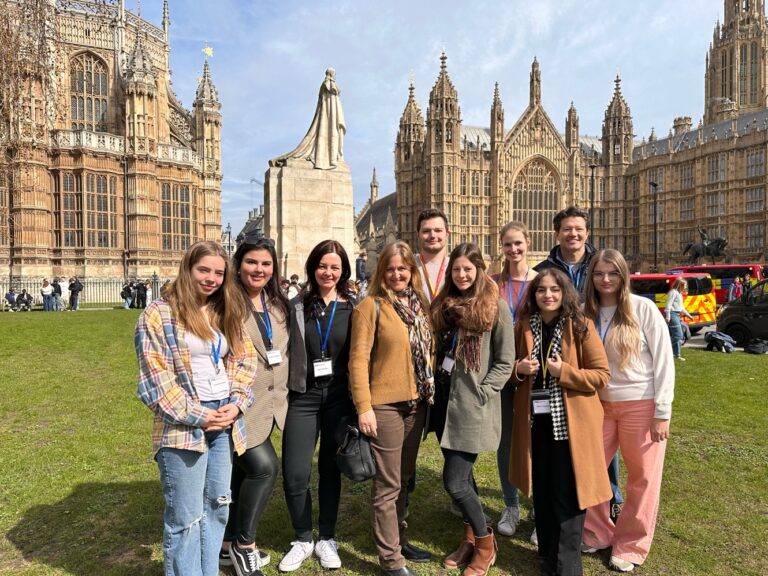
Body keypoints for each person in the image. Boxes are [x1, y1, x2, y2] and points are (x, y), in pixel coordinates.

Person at [135, 241, 257, 576]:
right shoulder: (158, 314)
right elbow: (154, 381)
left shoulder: (225, 310)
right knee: (185, 517)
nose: (212, 278)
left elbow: (245, 360)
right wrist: (200, 415)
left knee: (217, 507)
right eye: (204, 270)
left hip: (225, 417)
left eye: (219, 272)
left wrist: (237, 404)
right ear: (188, 268)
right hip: (184, 423)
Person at [510, 268, 611, 576]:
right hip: (536, 424)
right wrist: (520, 369)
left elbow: (601, 375)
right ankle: (547, 556)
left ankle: (567, 565)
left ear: (564, 292)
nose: (548, 295)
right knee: (543, 492)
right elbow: (509, 373)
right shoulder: (526, 326)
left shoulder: (581, 325)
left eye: (554, 289)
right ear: (534, 295)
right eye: (541, 290)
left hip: (571, 427)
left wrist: (564, 372)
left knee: (568, 494)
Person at [581, 249, 675, 573]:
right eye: (598, 273)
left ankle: (631, 544)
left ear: (623, 275)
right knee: (590, 471)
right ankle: (597, 532)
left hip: (641, 403)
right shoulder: (585, 313)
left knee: (643, 478)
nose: (605, 280)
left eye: (612, 273)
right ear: (590, 277)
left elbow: (664, 361)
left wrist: (663, 410)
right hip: (598, 405)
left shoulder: (643, 309)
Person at [535, 206, 623, 531]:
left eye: (579, 229)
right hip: (560, 363)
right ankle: (563, 504)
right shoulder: (543, 270)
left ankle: (610, 500)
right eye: (567, 229)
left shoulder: (601, 265)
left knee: (602, 436)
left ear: (587, 232)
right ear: (556, 233)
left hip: (600, 354)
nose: (573, 234)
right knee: (562, 440)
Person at [349, 241, 434, 576]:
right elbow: (357, 361)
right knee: (388, 483)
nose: (398, 274)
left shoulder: (419, 305)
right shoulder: (370, 306)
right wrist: (364, 407)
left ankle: (396, 537)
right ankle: (390, 559)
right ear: (380, 271)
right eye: (391, 268)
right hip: (384, 405)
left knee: (404, 476)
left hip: (416, 403)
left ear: (411, 271)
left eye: (403, 268)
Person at [431, 243, 515, 575]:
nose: (462, 275)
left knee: (454, 481)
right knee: (464, 478)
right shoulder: (444, 307)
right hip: (443, 403)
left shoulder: (496, 308)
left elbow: (505, 361)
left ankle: (484, 542)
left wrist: (483, 392)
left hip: (470, 406)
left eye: (468, 269)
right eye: (456, 269)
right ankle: (469, 537)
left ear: (479, 270)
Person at [280, 240, 357, 572]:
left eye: (335, 267)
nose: (328, 272)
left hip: (339, 399)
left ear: (343, 271)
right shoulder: (296, 306)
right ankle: (302, 537)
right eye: (323, 266)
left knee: (330, 470)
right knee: (295, 472)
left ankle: (326, 537)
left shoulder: (354, 308)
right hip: (304, 397)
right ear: (313, 268)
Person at [220, 237, 290, 576]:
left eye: (265, 263)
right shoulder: (224, 303)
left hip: (272, 403)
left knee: (240, 474)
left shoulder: (278, 303)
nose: (258, 269)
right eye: (251, 262)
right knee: (263, 468)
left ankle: (224, 545)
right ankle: (243, 544)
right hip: (235, 405)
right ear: (239, 264)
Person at [491, 221, 538, 538]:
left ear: (528, 242)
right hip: (504, 372)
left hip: (535, 372)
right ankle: (511, 505)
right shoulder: (493, 284)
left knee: (538, 442)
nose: (513, 250)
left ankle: (539, 509)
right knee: (505, 441)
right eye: (508, 244)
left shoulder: (541, 282)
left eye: (518, 243)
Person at [270, 68, 345, 170]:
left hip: (329, 117)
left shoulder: (328, 86)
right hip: (328, 118)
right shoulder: (328, 84)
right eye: (334, 74)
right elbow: (331, 91)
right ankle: (327, 159)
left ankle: (329, 157)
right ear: (331, 74)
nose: (335, 76)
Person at [415, 208, 449, 305]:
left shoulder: (457, 268)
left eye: (438, 230)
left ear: (447, 234)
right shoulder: (406, 266)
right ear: (418, 235)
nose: (432, 235)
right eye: (426, 231)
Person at [665, 278, 693, 361]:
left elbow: (681, 308)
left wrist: (689, 315)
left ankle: (672, 352)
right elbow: (668, 304)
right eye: (684, 286)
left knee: (683, 332)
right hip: (673, 315)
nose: (685, 287)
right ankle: (674, 354)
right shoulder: (673, 292)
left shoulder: (679, 294)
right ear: (679, 285)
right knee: (678, 335)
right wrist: (668, 315)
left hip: (677, 315)